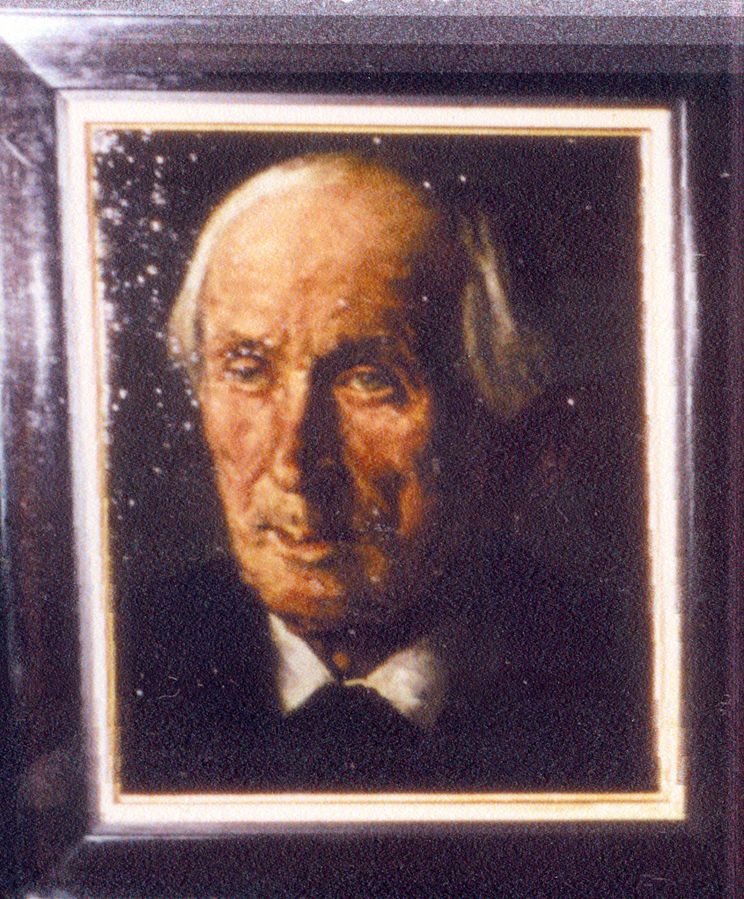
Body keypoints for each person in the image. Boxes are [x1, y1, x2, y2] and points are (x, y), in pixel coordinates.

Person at [119, 153, 654, 793]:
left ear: (517, 439)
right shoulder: (120, 669)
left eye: (371, 380)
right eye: (247, 369)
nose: (294, 462)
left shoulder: (625, 691)